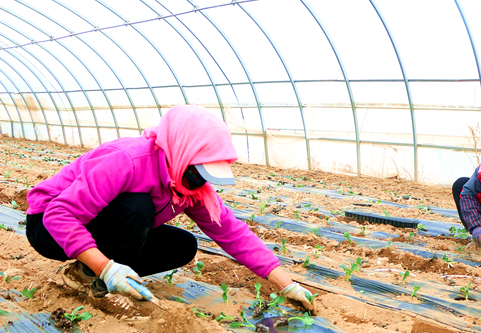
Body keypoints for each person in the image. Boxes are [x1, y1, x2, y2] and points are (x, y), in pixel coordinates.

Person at [25, 105, 316, 313]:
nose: (199, 182)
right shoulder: (129, 160)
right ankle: (92, 273)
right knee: (138, 207)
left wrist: (286, 284)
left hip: (96, 226)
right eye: (196, 173)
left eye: (206, 176)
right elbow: (59, 215)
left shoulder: (187, 185)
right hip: (48, 226)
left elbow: (232, 232)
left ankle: (88, 271)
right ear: (181, 150)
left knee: (183, 245)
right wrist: (107, 267)